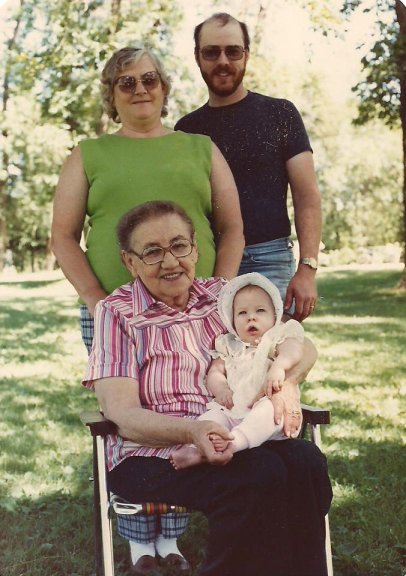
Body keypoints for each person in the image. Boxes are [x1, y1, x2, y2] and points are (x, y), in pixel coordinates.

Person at [51, 47, 244, 575]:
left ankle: (173, 542)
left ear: (164, 86)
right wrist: (96, 299)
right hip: (119, 315)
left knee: (189, 404)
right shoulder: (88, 153)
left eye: (150, 79)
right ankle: (140, 546)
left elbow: (232, 228)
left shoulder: (200, 147)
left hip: (193, 310)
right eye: (126, 82)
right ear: (111, 95)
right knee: (130, 419)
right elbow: (63, 237)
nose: (140, 89)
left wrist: (219, 295)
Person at [84, 200, 332, 576]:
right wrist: (193, 430)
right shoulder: (116, 313)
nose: (170, 262)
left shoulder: (223, 297)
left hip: (234, 432)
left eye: (179, 245)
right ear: (130, 262)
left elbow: (300, 343)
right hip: (151, 454)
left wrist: (289, 383)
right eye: (152, 252)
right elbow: (123, 414)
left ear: (196, 248)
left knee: (305, 462)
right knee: (257, 473)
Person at [175, 12, 322, 322]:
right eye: (211, 52)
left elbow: (307, 195)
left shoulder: (280, 114)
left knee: (273, 362)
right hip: (209, 262)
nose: (223, 61)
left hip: (270, 258)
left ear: (247, 55)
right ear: (198, 58)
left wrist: (307, 268)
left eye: (233, 51)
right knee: (211, 362)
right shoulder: (186, 129)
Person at [171, 272, 305, 470]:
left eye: (260, 310)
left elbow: (294, 350)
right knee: (211, 418)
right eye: (242, 313)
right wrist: (222, 390)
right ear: (231, 320)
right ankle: (198, 450)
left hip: (268, 412)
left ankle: (233, 445)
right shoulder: (228, 345)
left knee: (268, 411)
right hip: (232, 410)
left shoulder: (276, 337)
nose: (251, 317)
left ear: (275, 315)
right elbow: (215, 372)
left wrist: (279, 366)